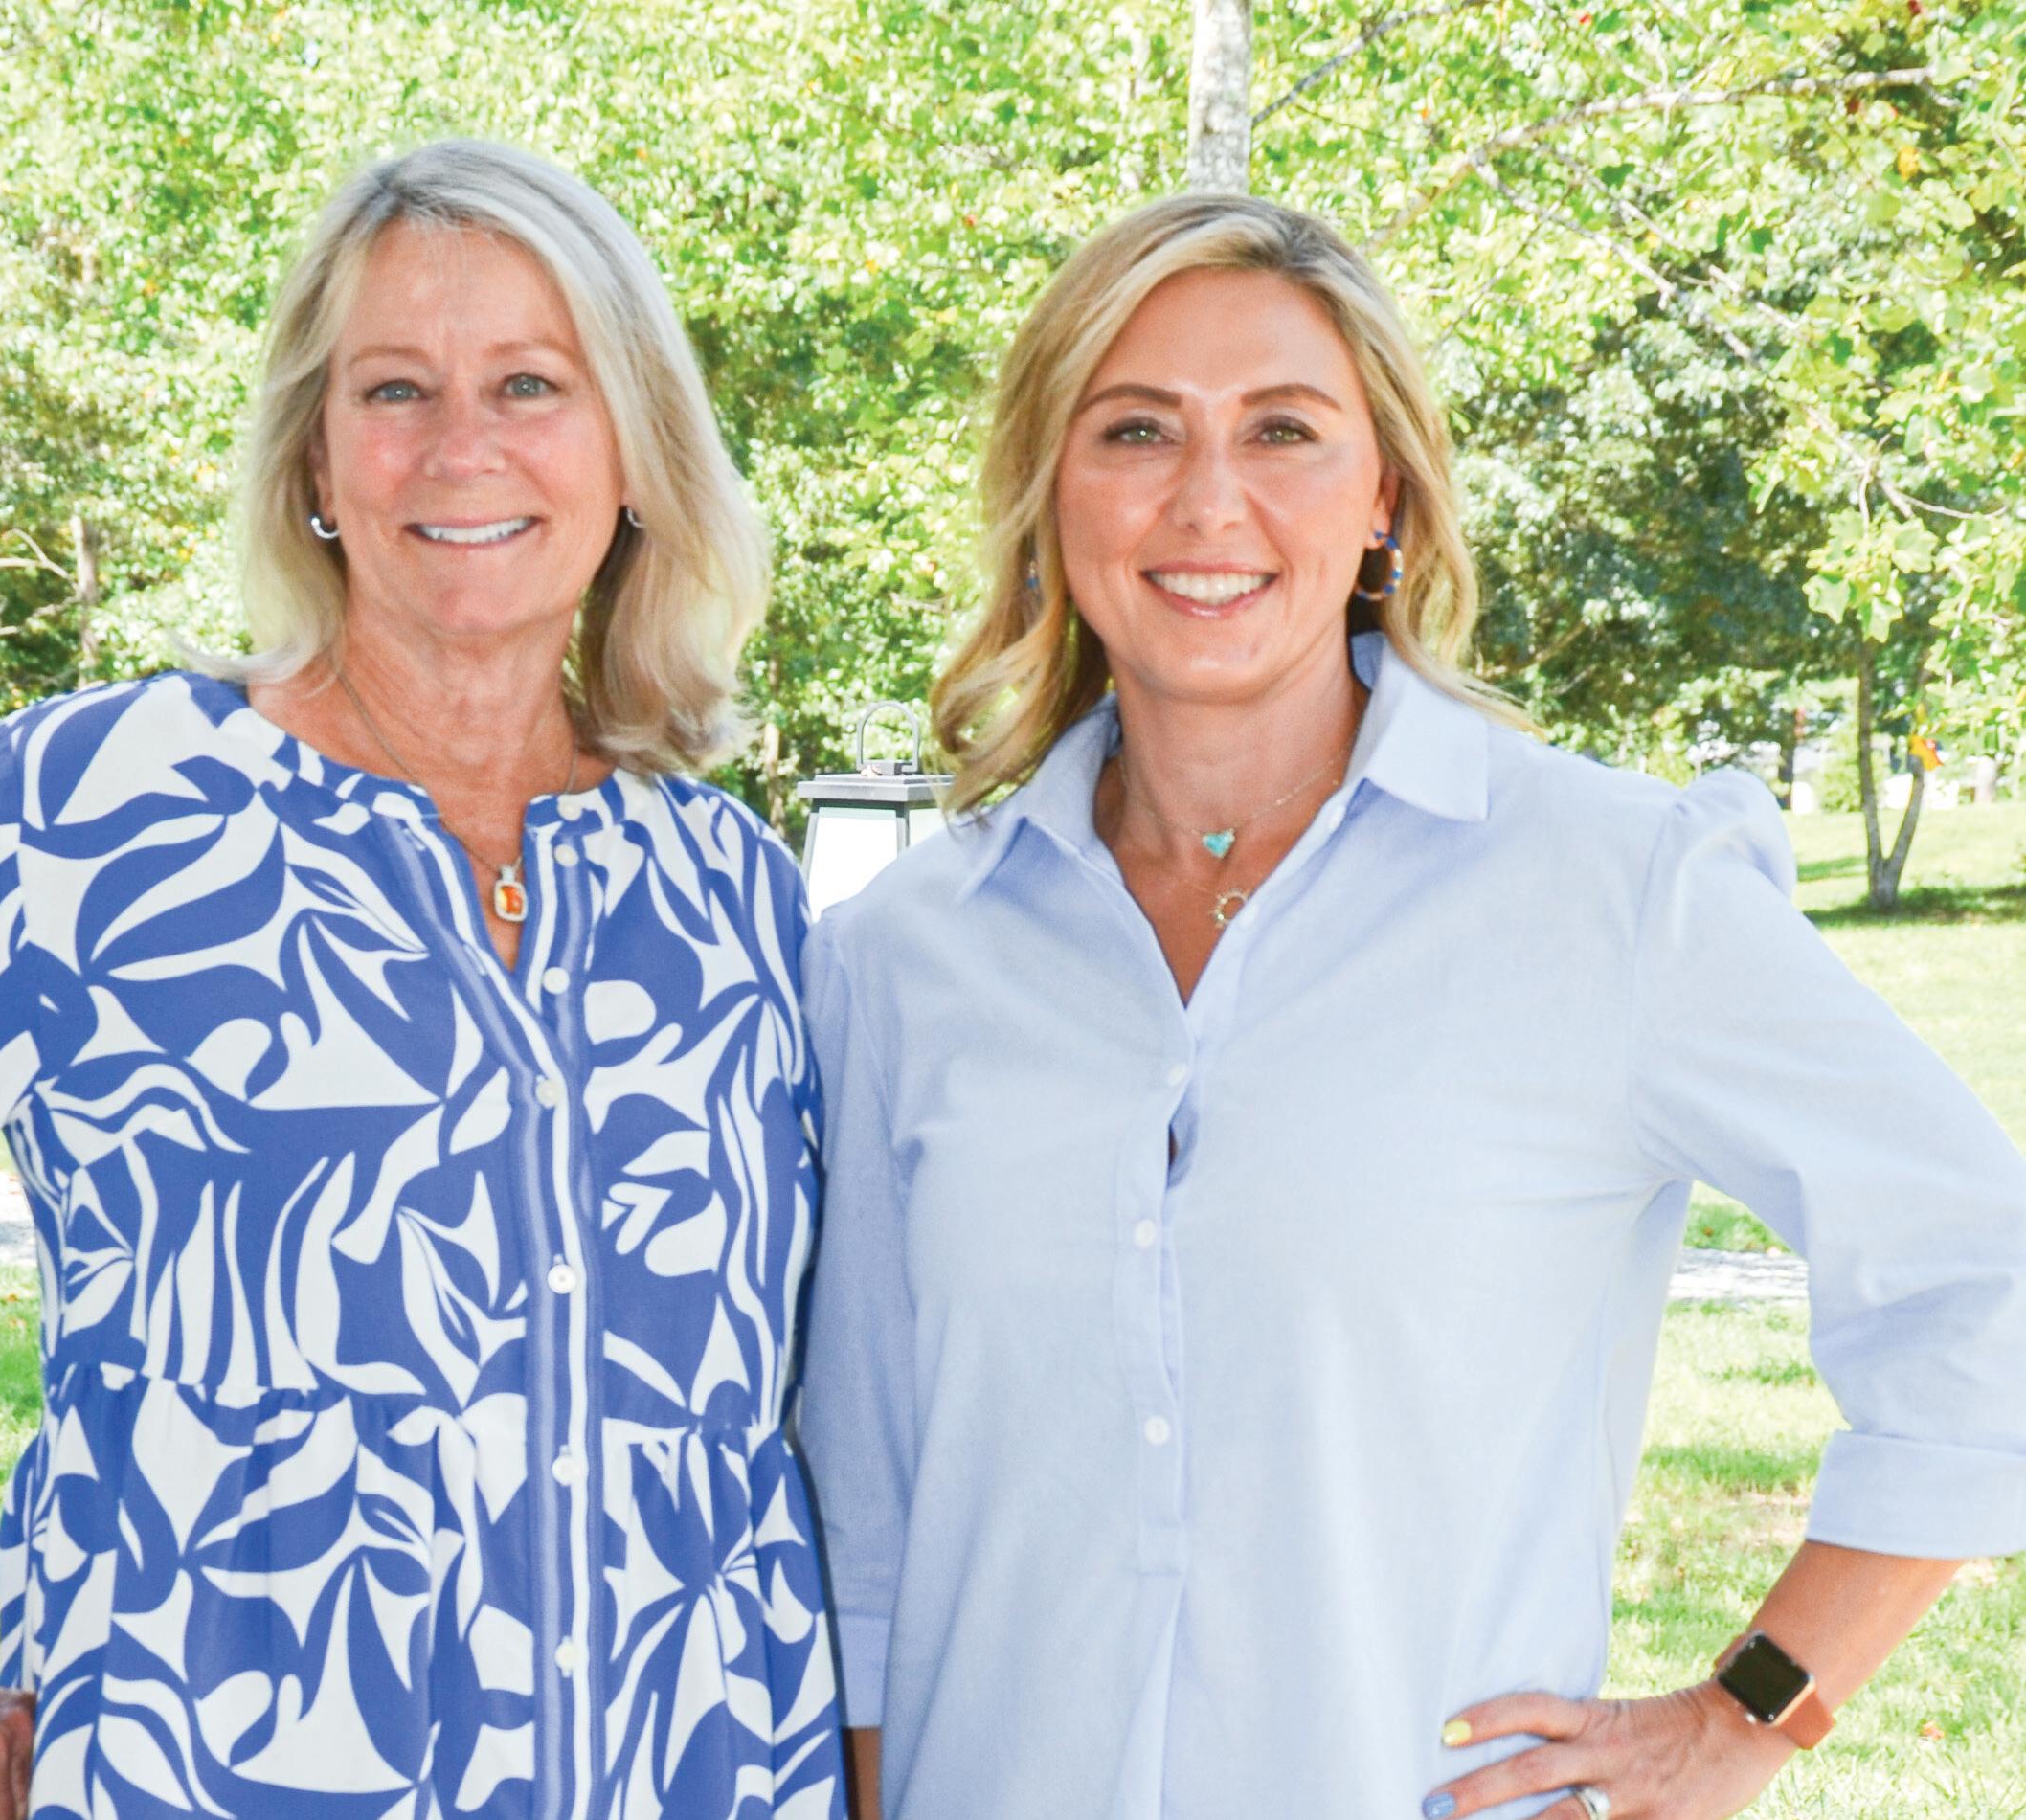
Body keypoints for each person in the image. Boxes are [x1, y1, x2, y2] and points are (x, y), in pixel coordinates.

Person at [0, 140, 844, 1820]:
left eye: (529, 383)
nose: (460, 445)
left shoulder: (732, 892)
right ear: (315, 455)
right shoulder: (95, 814)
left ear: (632, 447)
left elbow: (833, 1414)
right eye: (393, 389)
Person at [796, 191, 2026, 1820]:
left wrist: (1746, 1715)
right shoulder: (902, 957)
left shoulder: (1610, 891)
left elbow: (1979, 1273)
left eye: (1283, 430)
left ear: (1383, 492)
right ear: (1047, 490)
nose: (1207, 498)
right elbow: (870, 1519)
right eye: (1136, 429)